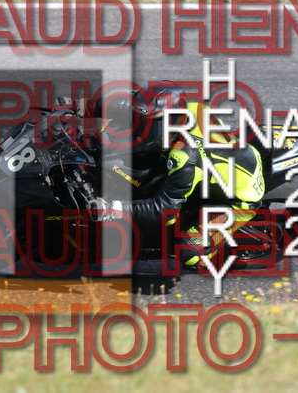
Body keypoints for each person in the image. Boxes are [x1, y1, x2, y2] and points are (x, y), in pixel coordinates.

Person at [58, 81, 265, 267]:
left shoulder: (185, 157)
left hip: (238, 198)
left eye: (149, 127)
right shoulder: (178, 110)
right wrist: (77, 106)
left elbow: (164, 210)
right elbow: (125, 104)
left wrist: (112, 208)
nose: (140, 129)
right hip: (219, 162)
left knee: (189, 253)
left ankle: (213, 244)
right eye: (140, 122)